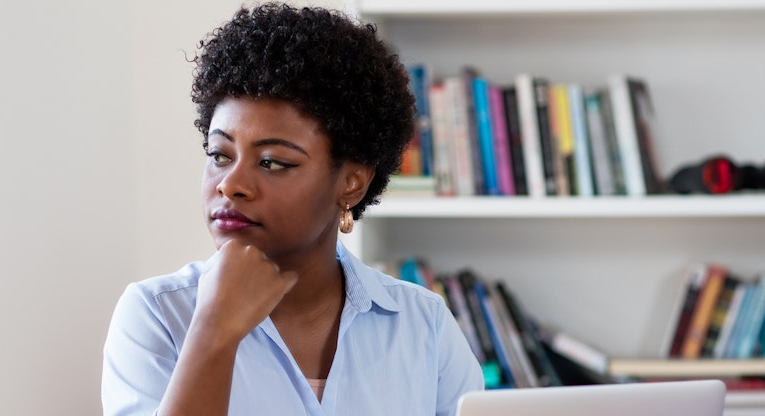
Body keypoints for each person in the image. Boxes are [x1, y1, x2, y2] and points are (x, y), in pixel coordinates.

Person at [101, 3, 484, 415]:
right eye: (220, 154)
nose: (231, 184)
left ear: (351, 183)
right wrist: (214, 331)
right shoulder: (156, 315)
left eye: (272, 162)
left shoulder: (424, 325)